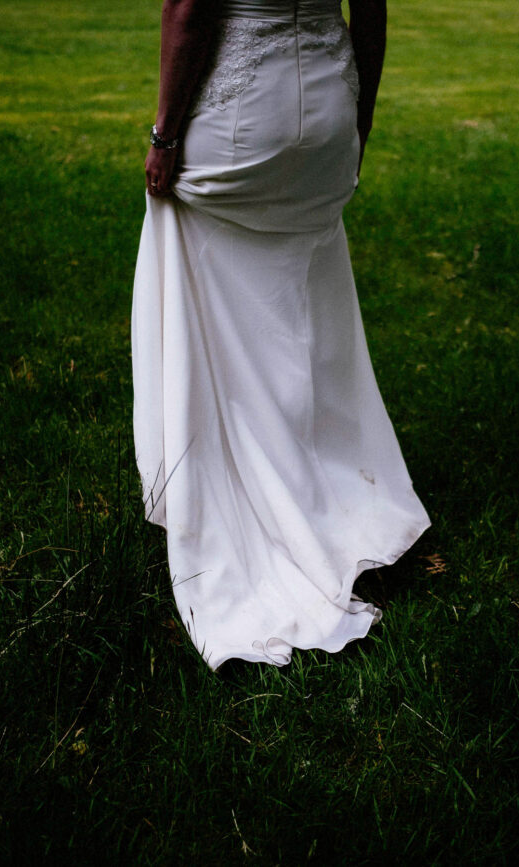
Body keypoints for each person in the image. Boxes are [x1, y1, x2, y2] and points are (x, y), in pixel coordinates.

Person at [131, 0, 429, 670]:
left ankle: (242, 494)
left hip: (244, 122)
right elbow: (371, 9)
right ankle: (333, 493)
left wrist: (165, 136)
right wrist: (359, 117)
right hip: (327, 103)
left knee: (180, 232)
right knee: (301, 298)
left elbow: (190, 10)